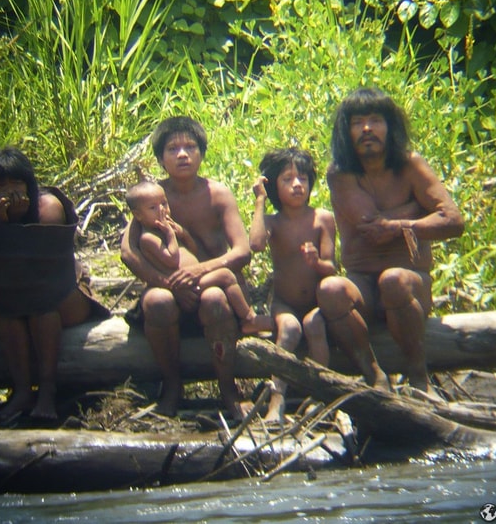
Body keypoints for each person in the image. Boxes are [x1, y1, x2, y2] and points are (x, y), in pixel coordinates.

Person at [318, 87, 465, 398]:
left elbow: (454, 221)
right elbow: (371, 226)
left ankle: (418, 377)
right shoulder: (340, 174)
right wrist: (415, 209)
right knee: (330, 289)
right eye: (357, 122)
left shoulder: (411, 165)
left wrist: (401, 224)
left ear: (390, 126)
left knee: (393, 279)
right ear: (346, 132)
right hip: (363, 287)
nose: (366, 129)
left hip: (409, 283)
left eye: (375, 120)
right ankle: (374, 376)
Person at [120, 116, 254, 419]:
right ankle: (171, 386)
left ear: (202, 153)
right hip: (171, 290)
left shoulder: (218, 194)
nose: (182, 154)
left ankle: (228, 389)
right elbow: (128, 252)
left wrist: (199, 271)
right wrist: (169, 284)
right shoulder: (151, 197)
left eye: (190, 147)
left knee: (214, 298)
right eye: (172, 149)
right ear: (160, 159)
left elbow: (242, 251)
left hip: (213, 288)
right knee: (157, 301)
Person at [0, 147, 108, 422]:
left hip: (60, 294)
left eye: (16, 182)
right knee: (8, 307)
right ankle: (21, 392)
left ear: (28, 183)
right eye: (0, 185)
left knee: (41, 305)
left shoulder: (48, 207)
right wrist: (3, 223)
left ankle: (47, 392)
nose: (10, 191)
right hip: (8, 298)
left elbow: (46, 267)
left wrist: (19, 224)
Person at [250, 148, 338, 422]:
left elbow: (331, 267)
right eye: (287, 179)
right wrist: (260, 201)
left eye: (302, 178)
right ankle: (276, 401)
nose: (297, 184)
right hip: (284, 303)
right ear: (274, 186)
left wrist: (315, 262)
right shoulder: (273, 222)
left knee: (314, 325)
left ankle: (319, 396)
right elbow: (256, 244)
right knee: (289, 329)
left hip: (317, 303)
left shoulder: (322, 218)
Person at [125, 180, 273, 335]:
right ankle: (248, 318)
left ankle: (246, 318)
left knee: (219, 291)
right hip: (183, 285)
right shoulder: (148, 238)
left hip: (195, 279)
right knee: (225, 276)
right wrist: (170, 235)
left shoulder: (168, 227)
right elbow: (172, 259)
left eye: (164, 204)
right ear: (138, 215)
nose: (162, 210)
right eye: (153, 208)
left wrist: (183, 234)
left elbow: (193, 250)